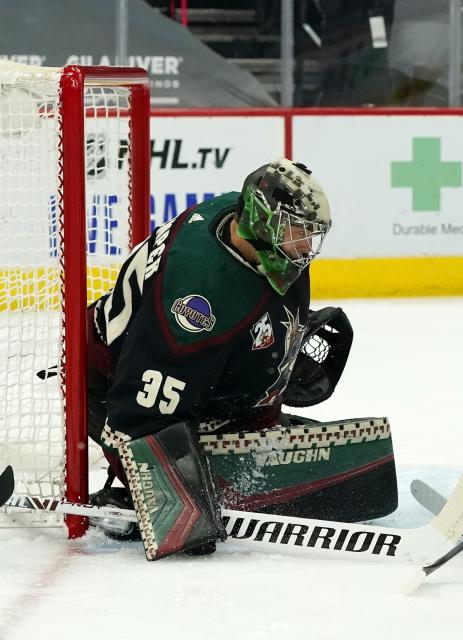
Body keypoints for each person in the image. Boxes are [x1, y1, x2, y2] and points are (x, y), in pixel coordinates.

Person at [84, 159, 397, 560]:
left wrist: (274, 362)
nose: (305, 245)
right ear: (263, 220)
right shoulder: (197, 300)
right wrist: (168, 500)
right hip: (109, 383)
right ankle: (124, 492)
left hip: (184, 371)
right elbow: (139, 409)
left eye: (311, 233)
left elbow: (251, 304)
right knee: (194, 508)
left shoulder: (245, 223)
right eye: (297, 231)